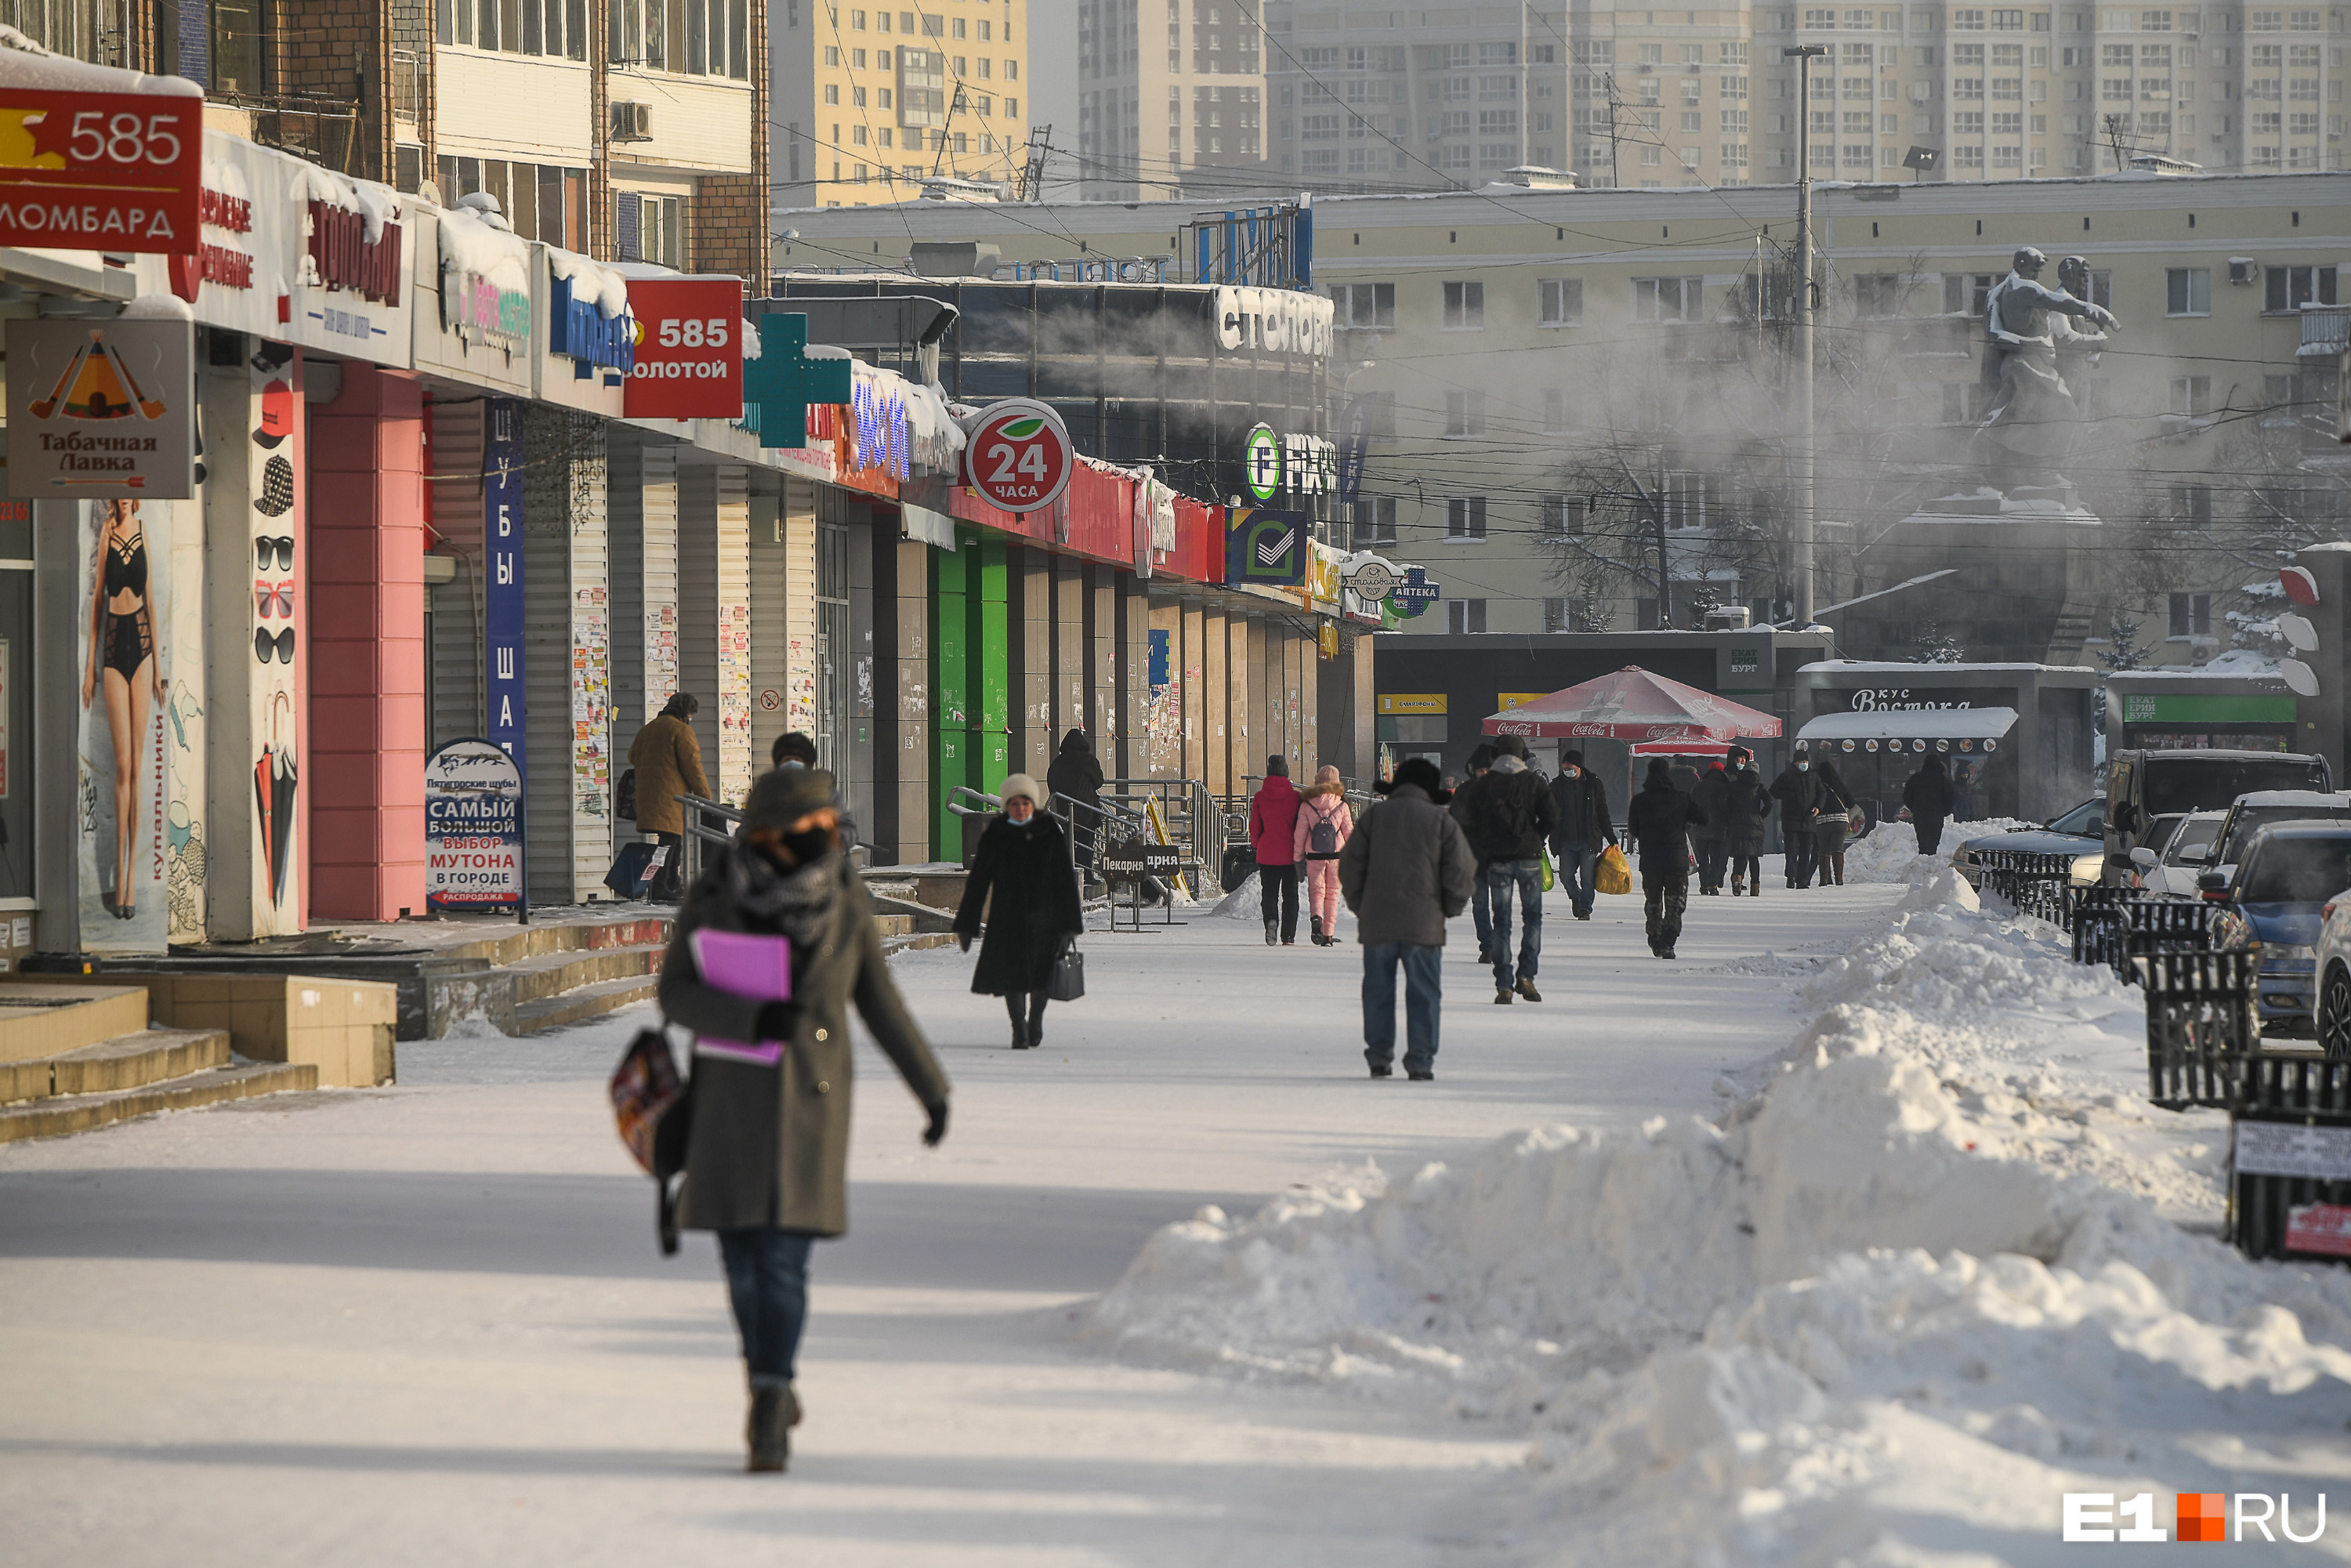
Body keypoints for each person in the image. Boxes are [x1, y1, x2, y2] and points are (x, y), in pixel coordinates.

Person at [660, 765, 950, 1475]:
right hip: (730, 1093)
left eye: (831, 826)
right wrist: (750, 1014)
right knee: (742, 1261)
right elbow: (675, 991)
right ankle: (767, 1377)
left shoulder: (844, 899)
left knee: (782, 1262)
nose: (828, 839)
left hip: (810, 1103)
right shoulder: (718, 891)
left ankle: (769, 1392)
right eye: (812, 827)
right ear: (772, 830)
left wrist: (931, 1090)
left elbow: (880, 1002)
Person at [1339, 757, 1476, 1081]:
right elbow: (1462, 870)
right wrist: (1450, 907)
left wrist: (1361, 905)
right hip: (1424, 923)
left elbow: (1349, 865)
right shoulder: (1441, 822)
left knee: (1377, 990)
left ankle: (1379, 1056)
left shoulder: (1374, 817)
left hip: (1378, 922)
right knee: (1424, 992)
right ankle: (1420, 1060)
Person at [955, 773, 1085, 1050]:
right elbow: (979, 881)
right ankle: (1018, 1027)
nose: (1020, 808)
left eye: (1025, 802)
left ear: (1033, 804)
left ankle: (1035, 1019)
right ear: (1006, 805)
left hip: (1045, 919)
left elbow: (1064, 880)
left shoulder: (1048, 831)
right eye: (1014, 803)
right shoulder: (997, 833)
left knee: (1041, 976)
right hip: (1007, 919)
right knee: (1012, 976)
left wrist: (1069, 925)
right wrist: (967, 924)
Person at [82, 499, 164, 921]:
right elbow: (98, 601)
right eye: (115, 497)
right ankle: (118, 880)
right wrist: (89, 670)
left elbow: (150, 599)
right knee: (123, 765)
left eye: (127, 497)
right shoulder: (107, 534)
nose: (122, 502)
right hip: (114, 645)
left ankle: (132, 876)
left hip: (144, 646)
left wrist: (159, 671)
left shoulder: (143, 530)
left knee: (139, 766)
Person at [1462, 733, 1556, 1004]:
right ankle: (1526, 975)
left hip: (1498, 859)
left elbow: (1470, 821)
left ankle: (1504, 984)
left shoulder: (1485, 784)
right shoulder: (1535, 782)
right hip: (1528, 857)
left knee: (1501, 921)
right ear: (1522, 755)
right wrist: (1536, 836)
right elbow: (1552, 817)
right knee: (1533, 919)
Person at [629, 693, 710, 903]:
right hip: (671, 797)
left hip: (648, 793)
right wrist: (705, 795)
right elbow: (693, 766)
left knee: (670, 841)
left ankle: (671, 884)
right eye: (691, 714)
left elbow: (632, 756)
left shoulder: (649, 728)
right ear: (686, 712)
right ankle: (662, 886)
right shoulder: (682, 731)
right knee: (670, 843)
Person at [1625, 756, 1708, 960]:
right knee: (1675, 903)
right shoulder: (1681, 798)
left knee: (1653, 901)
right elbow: (1704, 818)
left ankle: (1654, 937)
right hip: (1676, 860)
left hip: (1651, 861)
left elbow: (1634, 830)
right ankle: (1668, 941)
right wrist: (1686, 821)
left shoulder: (1639, 801)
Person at [1547, 748, 1618, 922]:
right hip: (1565, 841)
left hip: (1588, 841)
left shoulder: (1593, 784)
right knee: (1565, 876)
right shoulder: (1556, 786)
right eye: (1564, 767)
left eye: (1570, 767)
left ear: (1578, 767)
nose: (1567, 770)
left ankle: (1585, 908)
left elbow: (1602, 812)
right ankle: (1575, 896)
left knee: (1588, 878)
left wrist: (1611, 838)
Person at [1293, 766, 1356, 946]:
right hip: (1336, 856)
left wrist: (1298, 859)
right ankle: (1328, 935)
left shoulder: (1307, 804)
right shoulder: (1342, 805)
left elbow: (1300, 835)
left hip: (1314, 856)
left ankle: (1316, 917)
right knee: (1333, 893)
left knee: (1316, 890)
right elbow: (1349, 833)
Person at [770, 731, 860, 852]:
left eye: (797, 760)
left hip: (818, 862)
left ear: (808, 764)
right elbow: (747, 830)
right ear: (778, 764)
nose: (792, 764)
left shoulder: (825, 794)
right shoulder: (767, 794)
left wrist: (828, 839)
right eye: (787, 760)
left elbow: (849, 830)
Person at [1248, 756, 1304, 946]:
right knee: (1291, 894)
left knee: (1269, 892)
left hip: (1268, 852)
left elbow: (1255, 826)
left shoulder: (1260, 797)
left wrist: (1256, 844)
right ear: (1286, 770)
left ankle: (1271, 919)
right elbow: (1301, 825)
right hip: (1291, 853)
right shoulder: (1296, 797)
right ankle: (1288, 935)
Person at [1450, 744, 1497, 962]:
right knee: (1480, 905)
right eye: (1481, 770)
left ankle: (1499, 943)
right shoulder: (1464, 792)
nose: (1484, 774)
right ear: (1473, 770)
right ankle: (1488, 945)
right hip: (1474, 858)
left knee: (1500, 905)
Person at [1045, 728, 1105, 877]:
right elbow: (1098, 782)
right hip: (1087, 811)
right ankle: (1087, 875)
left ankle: (1067, 875)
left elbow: (1052, 785)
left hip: (1066, 811)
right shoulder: (1089, 760)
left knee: (1068, 843)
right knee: (1086, 844)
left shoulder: (1058, 762)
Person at [1769, 748, 1824, 889]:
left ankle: (1802, 880)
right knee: (1791, 850)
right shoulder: (1787, 776)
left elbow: (1822, 792)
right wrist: (1791, 795)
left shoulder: (1813, 776)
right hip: (1791, 819)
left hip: (1809, 819)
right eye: (1801, 762)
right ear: (1795, 763)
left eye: (1806, 761)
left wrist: (1818, 806)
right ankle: (1791, 876)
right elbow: (1774, 790)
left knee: (1806, 852)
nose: (1804, 764)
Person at [1723, 750, 1773, 897]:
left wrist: (1730, 816)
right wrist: (1760, 815)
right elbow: (1770, 802)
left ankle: (1737, 877)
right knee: (1753, 857)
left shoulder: (1733, 786)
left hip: (1737, 822)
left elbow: (1726, 803)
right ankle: (1755, 887)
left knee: (1740, 855)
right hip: (1755, 823)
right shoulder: (1760, 787)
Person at [1688, 755, 1733, 896]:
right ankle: (1713, 885)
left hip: (1700, 828)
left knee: (1703, 859)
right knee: (1716, 859)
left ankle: (1703, 885)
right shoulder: (1726, 787)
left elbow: (1691, 805)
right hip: (1718, 829)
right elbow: (1728, 807)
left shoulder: (1699, 786)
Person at [1813, 752, 1857, 888]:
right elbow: (1851, 803)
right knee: (1837, 849)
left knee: (1824, 850)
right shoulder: (1839, 785)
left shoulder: (1817, 787)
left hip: (1823, 822)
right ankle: (1839, 879)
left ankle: (1823, 880)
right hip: (1840, 821)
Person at [1903, 753, 1957, 857]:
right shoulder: (1942, 780)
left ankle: (1922, 859)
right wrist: (1943, 811)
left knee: (1922, 841)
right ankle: (1931, 860)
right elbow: (1951, 798)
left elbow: (1906, 797)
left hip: (1920, 815)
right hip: (1936, 816)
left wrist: (1914, 808)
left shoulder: (1916, 778)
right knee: (1933, 841)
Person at [1951, 759, 1981, 823]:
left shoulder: (1967, 788)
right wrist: (1956, 819)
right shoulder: (1953, 787)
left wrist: (1973, 819)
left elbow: (1970, 804)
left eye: (1966, 776)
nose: (1965, 778)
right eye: (1963, 776)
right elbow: (1953, 805)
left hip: (1967, 817)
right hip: (1958, 819)